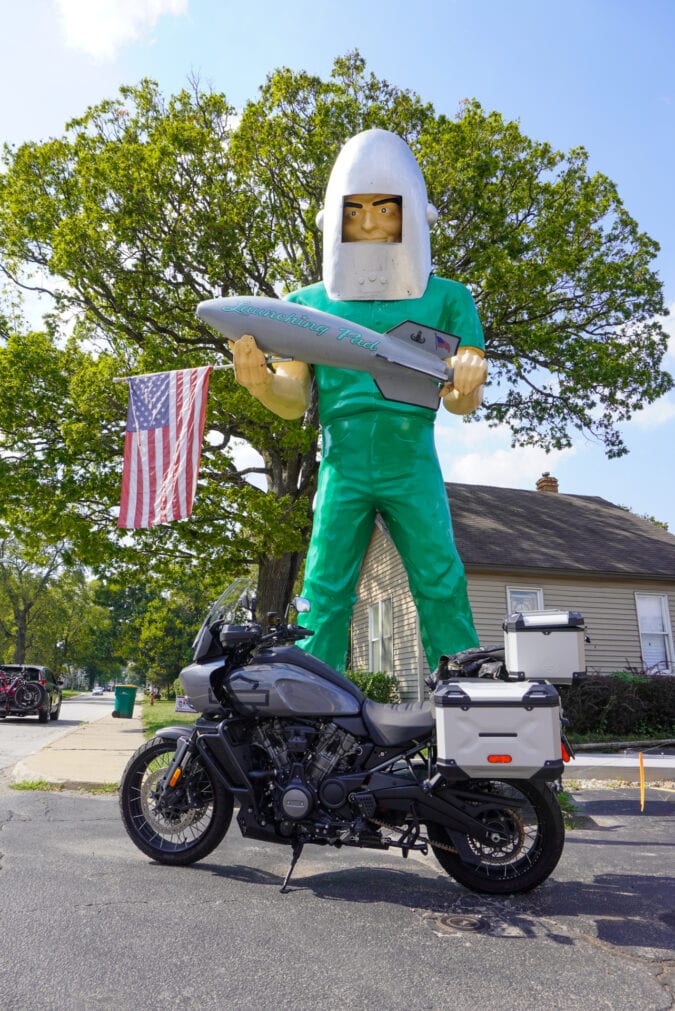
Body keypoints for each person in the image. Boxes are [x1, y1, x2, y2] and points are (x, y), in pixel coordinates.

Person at [232, 129, 487, 672]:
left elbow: (460, 403)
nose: (370, 222)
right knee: (322, 590)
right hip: (341, 462)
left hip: (412, 458)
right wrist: (258, 381)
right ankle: (311, 707)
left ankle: (467, 694)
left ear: (413, 213)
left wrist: (467, 378)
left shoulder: (449, 297)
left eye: (385, 208)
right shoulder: (305, 305)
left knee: (441, 577)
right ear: (335, 217)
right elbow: (292, 398)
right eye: (357, 210)